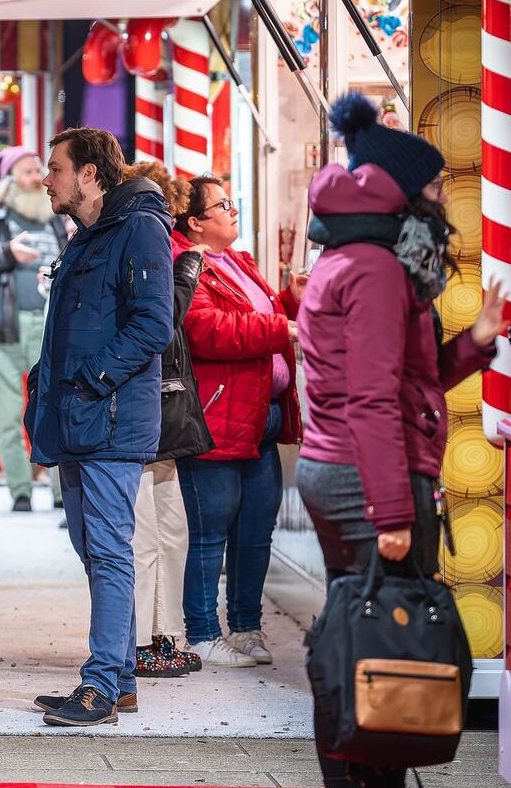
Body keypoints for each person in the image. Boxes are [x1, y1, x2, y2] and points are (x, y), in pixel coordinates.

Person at [295, 94, 504, 788]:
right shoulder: (378, 271)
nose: (446, 195)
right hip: (368, 477)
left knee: (355, 632)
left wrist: (473, 347)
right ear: (406, 193)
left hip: (344, 468)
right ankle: (369, 778)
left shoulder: (357, 258)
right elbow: (374, 399)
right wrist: (392, 513)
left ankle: (356, 777)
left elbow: (403, 381)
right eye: (437, 183)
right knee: (385, 639)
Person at [26, 127, 173, 727]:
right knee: (93, 548)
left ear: (90, 173)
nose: (47, 178)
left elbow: (154, 325)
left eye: (56, 168)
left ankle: (100, 689)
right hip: (79, 419)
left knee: (109, 552)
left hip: (108, 419)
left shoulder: (138, 228)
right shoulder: (92, 235)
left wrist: (90, 380)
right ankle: (120, 678)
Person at [171, 174, 302, 668]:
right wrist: (279, 326)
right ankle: (203, 632)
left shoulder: (238, 262)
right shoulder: (189, 264)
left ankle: (246, 626)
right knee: (210, 532)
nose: (233, 209)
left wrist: (288, 298)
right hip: (218, 414)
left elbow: (261, 317)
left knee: (255, 530)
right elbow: (206, 330)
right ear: (197, 222)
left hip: (261, 417)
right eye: (222, 203)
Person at [126, 161, 213, 679]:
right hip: (140, 407)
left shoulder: (160, 246)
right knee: (143, 536)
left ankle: (164, 634)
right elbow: (158, 324)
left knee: (169, 531)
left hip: (165, 408)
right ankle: (138, 641)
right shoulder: (150, 250)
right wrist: (186, 273)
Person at [0, 146, 68, 511]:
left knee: (53, 408)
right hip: (2, 327)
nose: (35, 178)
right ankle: (20, 489)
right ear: (8, 181)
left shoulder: (58, 216)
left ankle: (58, 490)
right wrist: (7, 252)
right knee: (8, 414)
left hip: (49, 325)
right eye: (25, 172)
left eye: (38, 170)